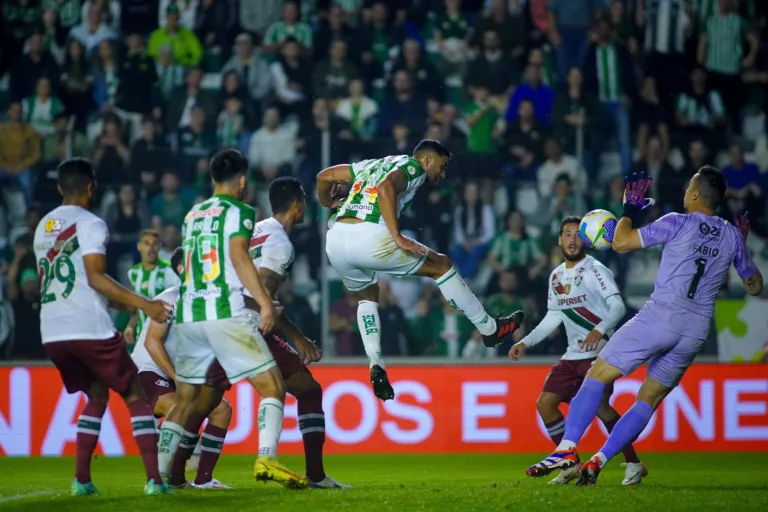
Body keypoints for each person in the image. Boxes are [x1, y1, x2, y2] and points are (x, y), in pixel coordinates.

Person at [526, 168, 763, 485]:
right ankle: (601, 459)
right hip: (695, 331)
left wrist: (629, 210)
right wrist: (741, 247)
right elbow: (755, 287)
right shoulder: (732, 236)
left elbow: (621, 243)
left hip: (660, 317)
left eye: (687, 186)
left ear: (694, 194)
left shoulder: (676, 221)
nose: (683, 192)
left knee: (597, 375)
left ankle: (568, 448)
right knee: (647, 400)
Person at [318, 140, 524, 401]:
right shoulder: (413, 166)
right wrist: (397, 236)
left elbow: (323, 176)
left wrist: (328, 202)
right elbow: (386, 187)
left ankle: (375, 363)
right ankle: (489, 328)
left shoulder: (368, 165)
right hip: (370, 238)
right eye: (443, 165)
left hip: (336, 241)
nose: (444, 173)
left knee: (368, 294)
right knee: (441, 265)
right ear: (427, 160)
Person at [155, 148, 307, 489]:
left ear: (212, 179)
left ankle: (158, 478)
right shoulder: (240, 211)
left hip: (191, 315)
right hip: (224, 311)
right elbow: (239, 257)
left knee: (186, 401)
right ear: (241, 181)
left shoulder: (193, 214)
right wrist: (265, 303)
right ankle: (266, 458)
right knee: (273, 387)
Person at [33, 157, 173, 495]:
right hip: (88, 327)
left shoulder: (42, 227)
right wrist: (146, 305)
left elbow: (84, 281)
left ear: (59, 188)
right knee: (134, 394)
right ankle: (155, 480)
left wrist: (126, 305)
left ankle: (81, 480)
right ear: (92, 187)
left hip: (52, 332)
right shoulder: (91, 223)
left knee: (96, 395)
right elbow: (95, 277)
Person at [509, 216, 645, 486]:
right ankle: (570, 462)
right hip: (572, 355)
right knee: (545, 404)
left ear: (586, 239)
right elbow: (553, 317)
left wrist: (600, 329)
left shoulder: (596, 270)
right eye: (567, 234)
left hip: (599, 354)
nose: (572, 239)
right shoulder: (556, 275)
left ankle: (633, 463)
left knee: (603, 409)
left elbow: (617, 306)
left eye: (577, 234)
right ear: (559, 240)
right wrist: (526, 341)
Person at [243, 176, 350, 489]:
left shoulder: (256, 230)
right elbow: (264, 301)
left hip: (220, 316)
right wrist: (298, 337)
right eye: (304, 198)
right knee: (305, 390)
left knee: (204, 398)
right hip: (249, 324)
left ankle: (172, 476)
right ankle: (303, 471)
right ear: (296, 205)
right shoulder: (280, 243)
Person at [131, 248, 231, 490]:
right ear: (181, 269)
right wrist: (178, 378)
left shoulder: (208, 301)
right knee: (181, 408)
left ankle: (202, 479)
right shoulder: (170, 298)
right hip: (149, 370)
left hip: (179, 373)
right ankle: (157, 477)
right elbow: (151, 342)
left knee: (221, 411)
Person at [124, 229, 181, 348]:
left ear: (159, 246)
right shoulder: (133, 273)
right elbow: (137, 306)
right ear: (139, 246)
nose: (151, 248)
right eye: (146, 243)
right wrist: (130, 326)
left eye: (155, 244)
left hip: (165, 339)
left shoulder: (169, 271)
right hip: (141, 337)